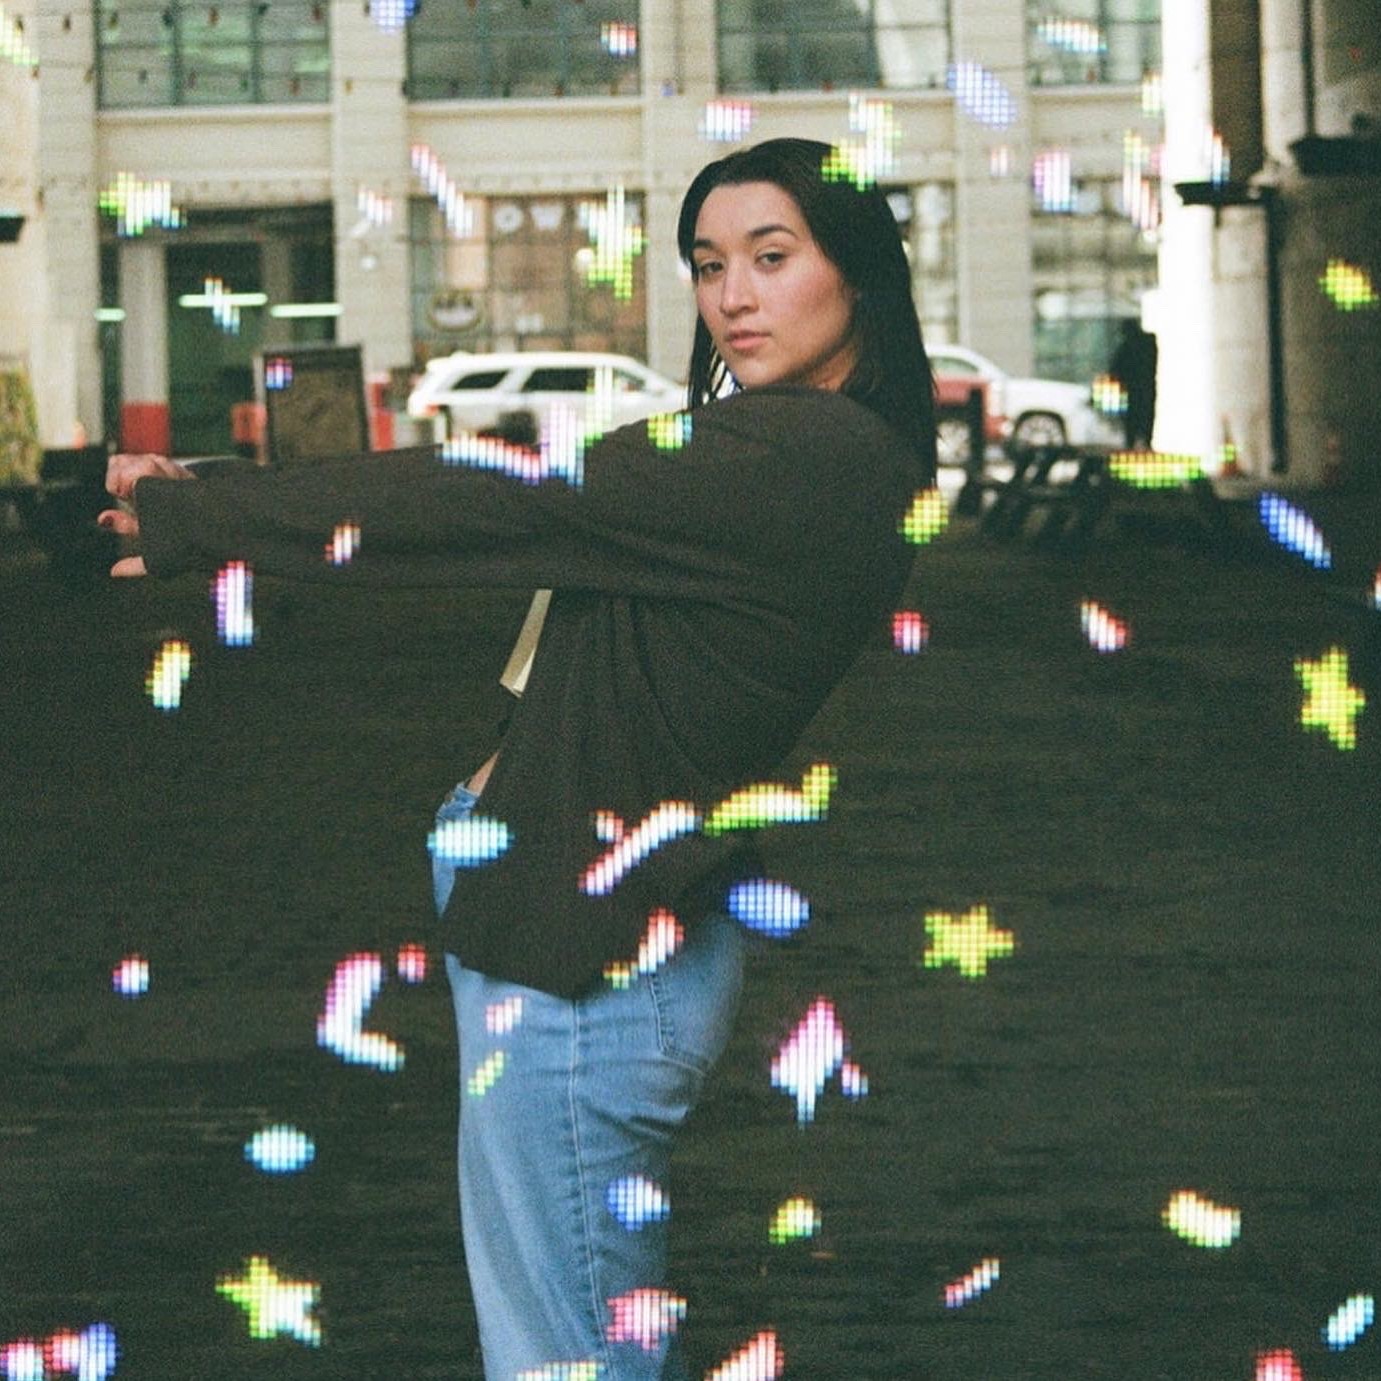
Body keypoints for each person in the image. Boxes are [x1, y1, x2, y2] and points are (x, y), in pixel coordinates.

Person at [100, 137, 936, 1379]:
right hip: (582, 935)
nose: (733, 297)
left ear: (856, 271)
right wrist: (223, 503)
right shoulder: (790, 450)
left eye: (772, 257)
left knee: (564, 1353)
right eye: (709, 265)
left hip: (589, 968)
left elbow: (498, 496)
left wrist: (210, 515)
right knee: (569, 1336)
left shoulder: (805, 457)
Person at [1108, 318, 1158, 448]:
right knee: (1146, 417)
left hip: (1132, 389)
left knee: (1131, 420)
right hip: (1147, 388)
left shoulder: (1127, 347)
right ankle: (1146, 443)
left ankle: (1131, 444)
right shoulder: (1149, 345)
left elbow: (1115, 369)